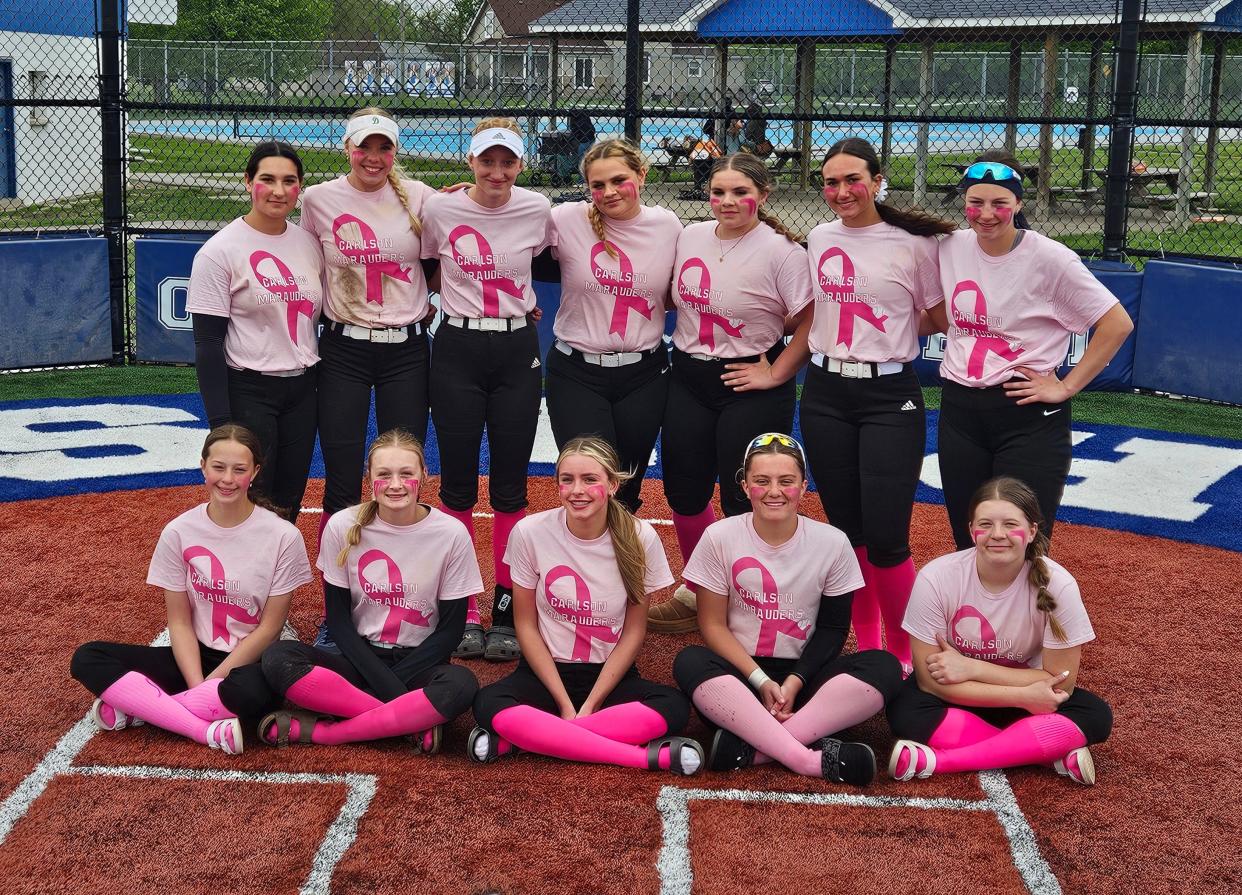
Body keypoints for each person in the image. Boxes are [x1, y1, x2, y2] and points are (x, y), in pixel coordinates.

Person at [801, 137, 956, 675]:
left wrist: (887, 330)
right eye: (831, 181)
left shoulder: (913, 244)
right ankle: (867, 642)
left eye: (852, 180)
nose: (842, 191)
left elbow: (938, 317)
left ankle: (904, 648)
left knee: (888, 536)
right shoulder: (819, 237)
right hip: (824, 391)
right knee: (847, 531)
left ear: (877, 179)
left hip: (888, 394)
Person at [932, 151, 1134, 549]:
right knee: (969, 538)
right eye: (975, 202)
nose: (985, 213)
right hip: (960, 413)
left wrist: (1065, 387)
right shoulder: (950, 247)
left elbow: (1117, 324)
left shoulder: (1050, 258)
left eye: (999, 203)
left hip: (1027, 416)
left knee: (1022, 543)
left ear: (1018, 204)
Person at [673, 433, 901, 784]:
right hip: (742, 679)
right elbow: (713, 625)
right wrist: (761, 680)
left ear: (804, 486)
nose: (774, 491)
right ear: (745, 486)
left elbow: (833, 630)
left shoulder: (832, 542)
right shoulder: (719, 537)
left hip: (806, 680)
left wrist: (794, 682)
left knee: (883, 666)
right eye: (762, 481)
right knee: (690, 661)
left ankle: (752, 748)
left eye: (786, 481)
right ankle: (807, 757)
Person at [70, 424, 311, 755]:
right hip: (193, 657)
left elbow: (269, 630)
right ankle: (201, 729)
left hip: (247, 662)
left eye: (239, 469)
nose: (227, 479)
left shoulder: (283, 536)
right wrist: (198, 684)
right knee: (88, 658)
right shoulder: (179, 531)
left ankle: (143, 708)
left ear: (254, 473)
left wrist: (213, 681)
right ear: (203, 467)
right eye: (218, 467)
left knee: (251, 694)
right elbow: (180, 622)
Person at [469, 437, 701, 775]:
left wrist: (590, 704)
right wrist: (564, 703)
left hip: (610, 677)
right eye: (567, 479)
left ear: (612, 484)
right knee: (486, 703)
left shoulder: (640, 537)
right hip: (545, 674)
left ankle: (525, 740)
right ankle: (640, 758)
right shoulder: (530, 533)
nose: (577, 490)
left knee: (675, 707)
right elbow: (526, 625)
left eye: (590, 479)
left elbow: (634, 632)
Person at [651, 152, 813, 634]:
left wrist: (776, 372)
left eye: (741, 192)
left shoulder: (783, 251)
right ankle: (703, 587)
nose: (727, 201)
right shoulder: (692, 235)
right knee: (683, 492)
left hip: (749, 384)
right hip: (688, 376)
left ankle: (751, 596)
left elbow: (810, 319)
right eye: (718, 192)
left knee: (747, 495)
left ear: (762, 197)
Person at [420, 118, 553, 662]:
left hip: (517, 350)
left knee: (509, 487)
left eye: (508, 161)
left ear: (520, 164)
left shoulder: (538, 209)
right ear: (470, 161)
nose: (497, 172)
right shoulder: (440, 208)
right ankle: (463, 608)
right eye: (487, 160)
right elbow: (428, 267)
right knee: (455, 485)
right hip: (456, 348)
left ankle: (503, 607)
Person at [258, 429, 480, 749]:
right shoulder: (343, 526)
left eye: (407, 474)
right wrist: (391, 689)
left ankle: (329, 732)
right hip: (357, 656)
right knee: (278, 657)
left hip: (422, 662)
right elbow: (338, 621)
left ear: (425, 475)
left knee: (461, 685)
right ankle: (407, 720)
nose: (395, 484)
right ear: (369, 477)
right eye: (384, 474)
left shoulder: (451, 534)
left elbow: (450, 632)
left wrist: (386, 682)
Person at [887, 476, 1112, 785]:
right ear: (971, 531)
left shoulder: (1058, 585)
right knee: (905, 709)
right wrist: (1021, 695)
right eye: (985, 524)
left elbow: (1061, 683)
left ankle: (940, 761)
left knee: (1095, 715)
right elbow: (931, 683)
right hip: (966, 695)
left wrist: (971, 666)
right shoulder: (936, 578)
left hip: (1024, 698)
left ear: (1032, 531)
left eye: (1010, 524)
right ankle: (1045, 752)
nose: (997, 535)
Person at [300, 107, 437, 540]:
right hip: (344, 348)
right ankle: (338, 592)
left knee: (402, 470)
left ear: (395, 151)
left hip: (406, 351)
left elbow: (440, 260)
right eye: (364, 147)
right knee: (341, 473)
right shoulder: (319, 200)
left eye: (384, 148)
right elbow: (309, 265)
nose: (373, 157)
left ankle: (404, 574)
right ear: (347, 149)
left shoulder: (421, 197)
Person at [543, 138, 681, 514]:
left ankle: (619, 567)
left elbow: (675, 292)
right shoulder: (566, 219)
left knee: (625, 486)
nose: (608, 192)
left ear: (642, 174)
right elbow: (504, 227)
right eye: (597, 185)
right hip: (576, 372)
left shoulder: (667, 226)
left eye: (619, 180)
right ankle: (582, 567)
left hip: (645, 374)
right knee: (589, 480)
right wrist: (465, 199)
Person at [189, 141, 321, 522]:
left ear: (299, 188)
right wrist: (221, 425)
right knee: (252, 498)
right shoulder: (220, 251)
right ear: (248, 182)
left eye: (289, 181)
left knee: (290, 494)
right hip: (249, 388)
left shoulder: (308, 244)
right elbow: (207, 343)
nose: (279, 190)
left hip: (302, 389)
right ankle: (241, 580)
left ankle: (277, 580)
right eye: (267, 179)